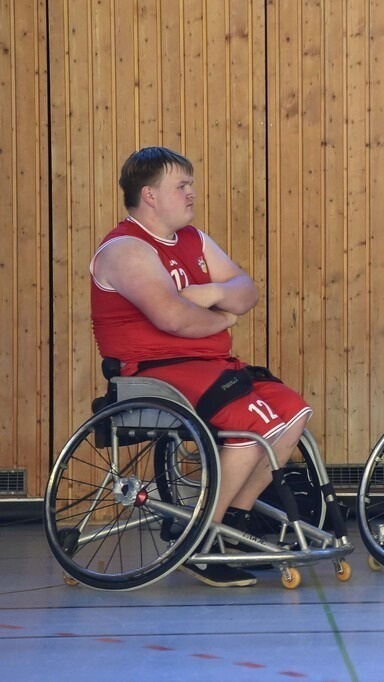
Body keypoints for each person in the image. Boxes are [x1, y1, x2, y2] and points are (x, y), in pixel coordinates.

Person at [91, 147, 312, 586]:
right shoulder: (126, 248)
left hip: (210, 364)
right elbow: (171, 318)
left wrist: (208, 295)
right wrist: (223, 319)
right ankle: (200, 536)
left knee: (292, 411)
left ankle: (232, 521)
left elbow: (246, 289)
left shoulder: (192, 239)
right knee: (256, 423)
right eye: (182, 186)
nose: (192, 193)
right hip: (157, 370)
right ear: (150, 195)